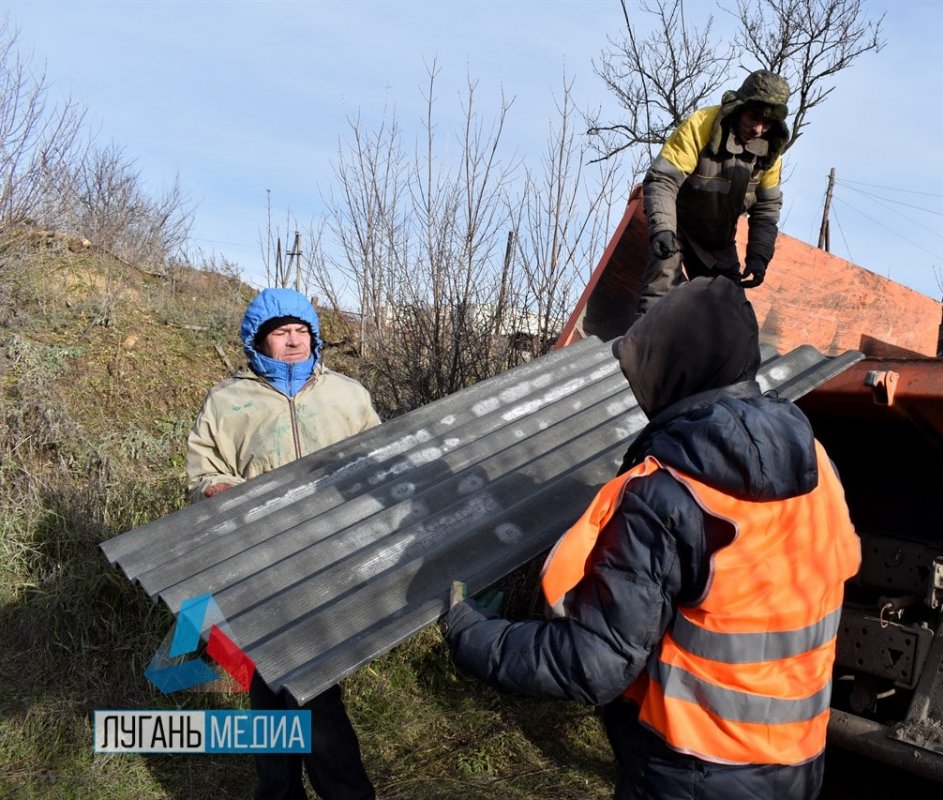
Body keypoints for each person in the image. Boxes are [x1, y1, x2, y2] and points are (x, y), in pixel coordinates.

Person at [442, 276, 861, 799]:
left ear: (672, 372)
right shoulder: (816, 462)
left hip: (695, 769)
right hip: (798, 758)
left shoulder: (668, 492)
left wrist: (471, 634)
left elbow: (592, 663)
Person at [186, 287, 378, 800]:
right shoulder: (228, 401)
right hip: (257, 562)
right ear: (257, 341)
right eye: (281, 332)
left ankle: (343, 792)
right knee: (268, 686)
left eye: (301, 331)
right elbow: (204, 468)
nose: (293, 341)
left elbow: (380, 463)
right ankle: (283, 791)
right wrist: (213, 488)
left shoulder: (348, 394)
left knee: (313, 683)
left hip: (328, 556)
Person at [638, 70, 791, 315]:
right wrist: (663, 229)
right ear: (739, 107)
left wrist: (758, 257)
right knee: (661, 292)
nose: (758, 128)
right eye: (753, 116)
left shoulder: (771, 152)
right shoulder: (701, 125)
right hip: (677, 228)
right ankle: (642, 350)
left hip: (718, 243)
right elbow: (663, 179)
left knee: (731, 311)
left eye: (768, 122)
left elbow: (766, 211)